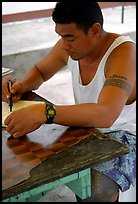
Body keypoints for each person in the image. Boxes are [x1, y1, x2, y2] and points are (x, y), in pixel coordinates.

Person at [2, 2, 136, 202]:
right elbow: (41, 71)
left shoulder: (124, 53)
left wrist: (45, 112)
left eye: (69, 37)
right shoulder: (70, 46)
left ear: (94, 30)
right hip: (88, 130)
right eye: (60, 36)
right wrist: (22, 85)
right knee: (28, 163)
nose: (63, 44)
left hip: (125, 137)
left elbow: (106, 114)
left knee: (95, 191)